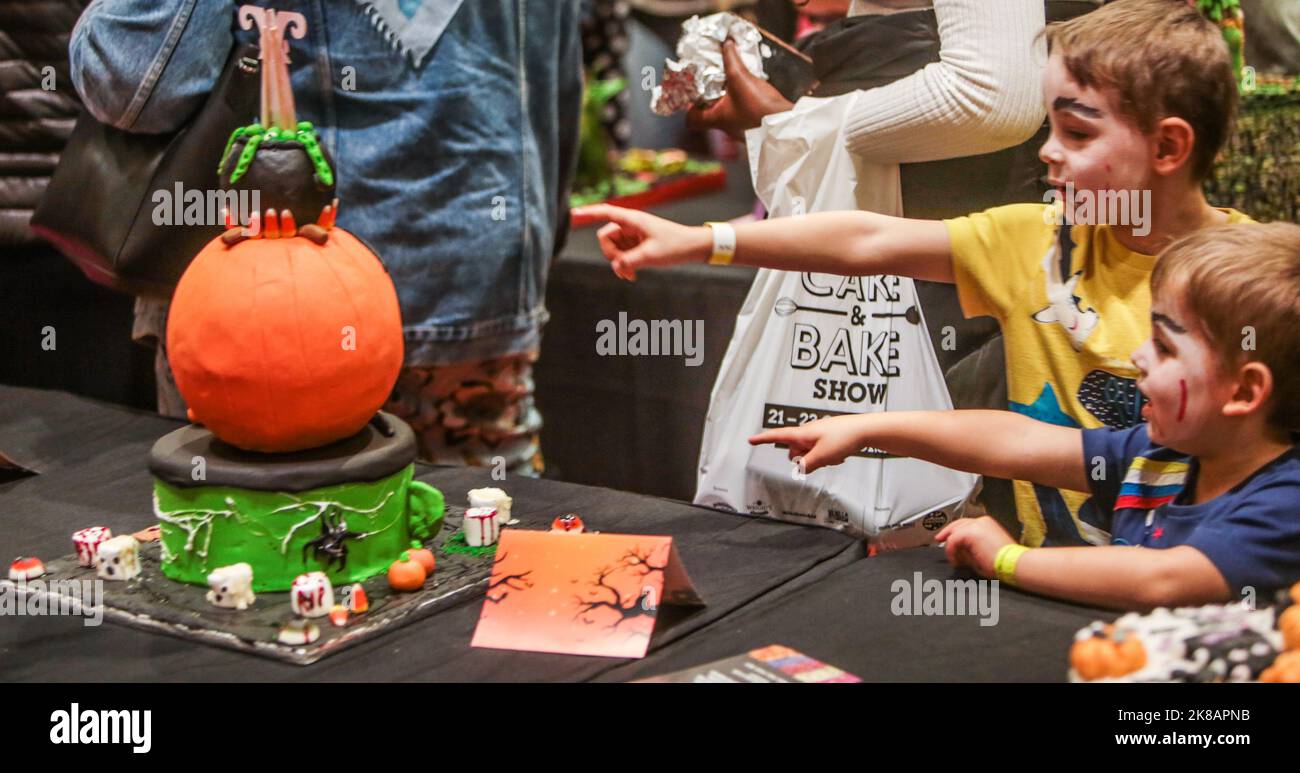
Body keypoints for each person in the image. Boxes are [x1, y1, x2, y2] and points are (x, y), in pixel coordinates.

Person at [578, 0, 1252, 545]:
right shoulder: (1037, 240)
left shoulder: (1254, 283)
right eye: (1048, 127)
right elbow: (866, 238)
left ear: (1168, 145)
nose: (1046, 153)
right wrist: (703, 240)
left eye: (1076, 134)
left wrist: (1010, 564)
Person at [68, 0, 582, 475]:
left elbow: (127, 80)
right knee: (480, 536)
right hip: (475, 270)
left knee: (256, 547)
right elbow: (554, 83)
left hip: (261, 317)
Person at [749, 222, 1300, 610]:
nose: (1138, 356)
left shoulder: (1286, 502)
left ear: (1245, 391)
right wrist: (868, 427)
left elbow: (1163, 578)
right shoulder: (1162, 456)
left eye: (1164, 345)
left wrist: (1007, 560)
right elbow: (1017, 441)